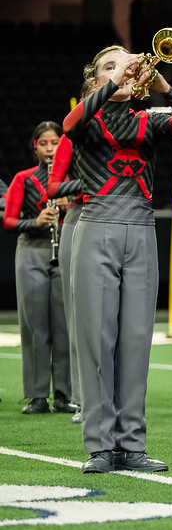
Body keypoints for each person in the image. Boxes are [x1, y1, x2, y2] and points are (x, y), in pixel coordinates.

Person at [64, 44, 172, 472]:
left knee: (137, 343)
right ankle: (100, 447)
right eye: (109, 65)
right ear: (93, 82)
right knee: (96, 342)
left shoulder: (149, 118)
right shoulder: (87, 117)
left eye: (125, 63)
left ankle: (132, 444)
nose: (121, 69)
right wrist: (115, 81)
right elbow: (70, 124)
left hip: (141, 231)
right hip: (97, 228)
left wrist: (160, 83)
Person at [3, 121, 72, 415]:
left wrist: (71, 207)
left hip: (65, 251)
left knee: (64, 326)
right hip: (31, 251)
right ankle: (37, 395)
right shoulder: (24, 178)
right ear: (36, 146)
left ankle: (64, 395)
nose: (50, 149)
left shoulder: (72, 179)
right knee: (34, 327)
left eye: (55, 143)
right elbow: (8, 220)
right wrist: (36, 222)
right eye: (44, 143)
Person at [47, 81, 93, 424]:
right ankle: (83, 398)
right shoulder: (70, 135)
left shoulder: (133, 126)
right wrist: (92, 182)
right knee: (79, 314)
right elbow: (54, 186)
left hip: (125, 217)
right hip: (80, 218)